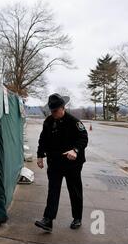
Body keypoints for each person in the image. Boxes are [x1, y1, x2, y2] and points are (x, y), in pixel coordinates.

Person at [34, 93, 88, 233]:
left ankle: (77, 218)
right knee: (53, 190)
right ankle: (48, 220)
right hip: (55, 162)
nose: (53, 114)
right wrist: (40, 155)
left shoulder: (74, 122)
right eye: (51, 111)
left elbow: (83, 138)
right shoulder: (48, 121)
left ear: (63, 108)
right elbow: (43, 139)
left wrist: (75, 150)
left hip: (72, 164)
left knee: (74, 190)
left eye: (56, 111)